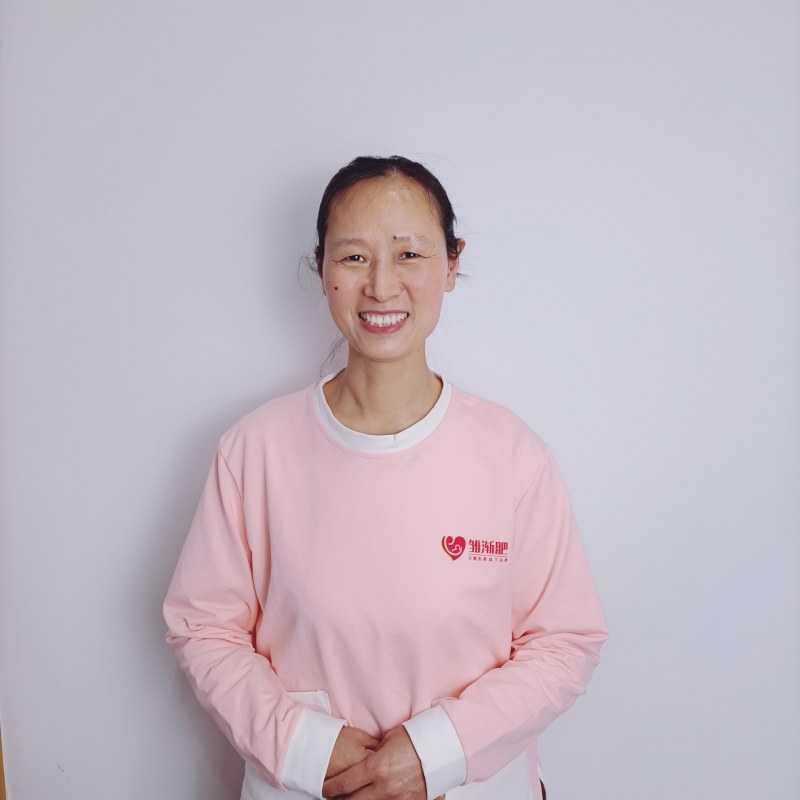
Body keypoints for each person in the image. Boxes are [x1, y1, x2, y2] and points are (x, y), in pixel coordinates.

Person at [162, 155, 609, 800]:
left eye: (408, 255)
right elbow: (203, 626)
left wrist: (437, 752)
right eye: (353, 257)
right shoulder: (254, 450)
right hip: (310, 786)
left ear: (451, 264)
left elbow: (564, 640)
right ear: (322, 269)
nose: (380, 285)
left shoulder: (512, 455)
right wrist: (307, 746)